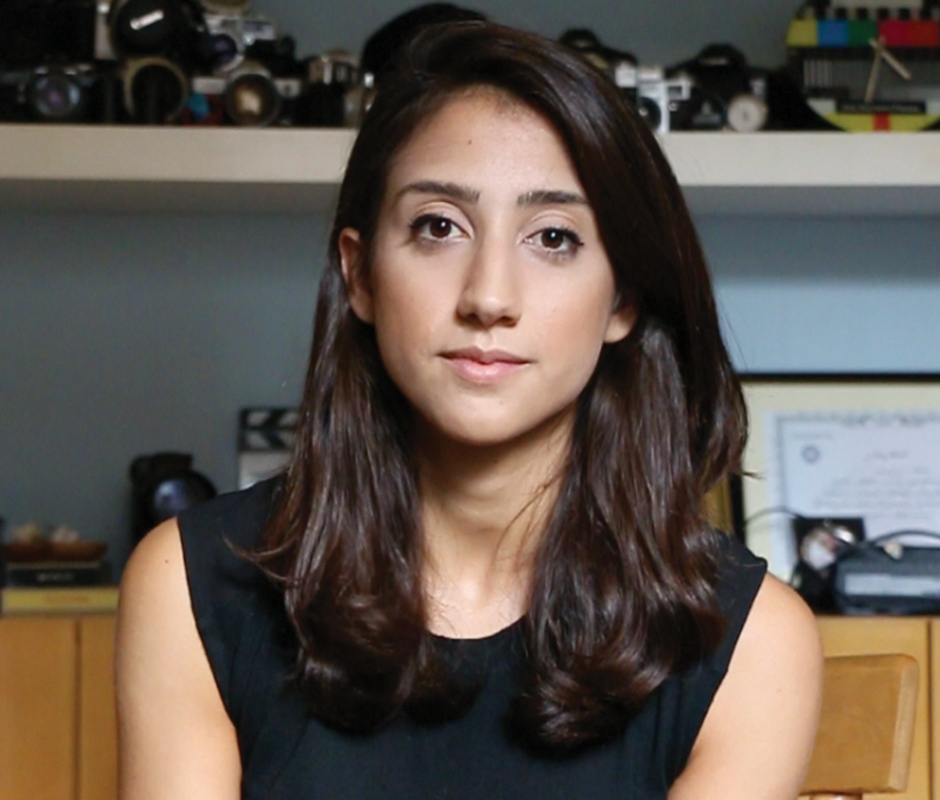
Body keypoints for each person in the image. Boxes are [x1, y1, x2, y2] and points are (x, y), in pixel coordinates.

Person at [116, 21, 823, 800]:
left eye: (553, 237)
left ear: (623, 296)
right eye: (439, 226)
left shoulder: (752, 642)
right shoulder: (191, 586)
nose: (489, 297)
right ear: (360, 274)